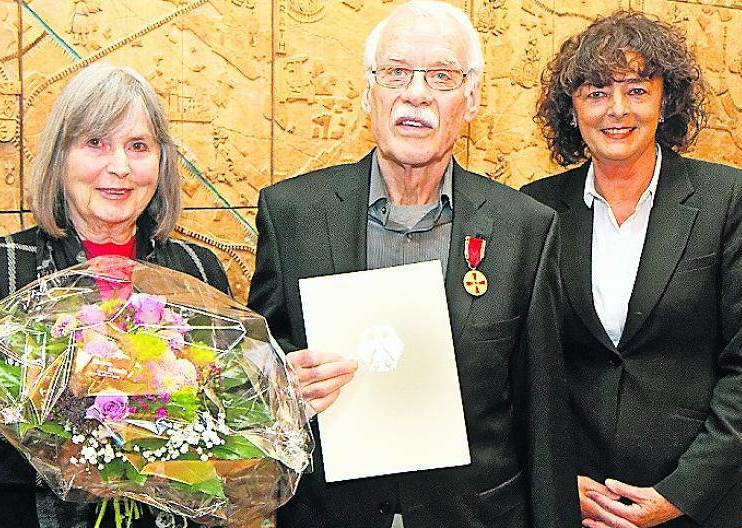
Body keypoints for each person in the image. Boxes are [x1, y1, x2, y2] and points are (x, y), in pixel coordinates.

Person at [247, 2, 578, 527]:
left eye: (442, 76)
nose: (416, 93)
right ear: (367, 92)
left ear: (470, 100)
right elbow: (262, 359)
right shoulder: (292, 215)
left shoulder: (525, 228)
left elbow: (543, 418)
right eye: (396, 72)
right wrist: (285, 378)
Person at [0, 62, 229, 528]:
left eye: (138, 146)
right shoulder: (1, 268)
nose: (119, 166)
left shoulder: (199, 272)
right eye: (95, 143)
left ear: (161, 162)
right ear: (60, 158)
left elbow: (225, 412)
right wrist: (53, 460)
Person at [522, 11, 742, 528]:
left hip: (694, 508)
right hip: (578, 507)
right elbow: (521, 367)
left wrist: (678, 494)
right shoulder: (536, 211)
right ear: (571, 110)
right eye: (596, 92)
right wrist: (557, 478)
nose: (617, 110)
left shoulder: (724, 198)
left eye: (637, 89)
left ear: (667, 102)